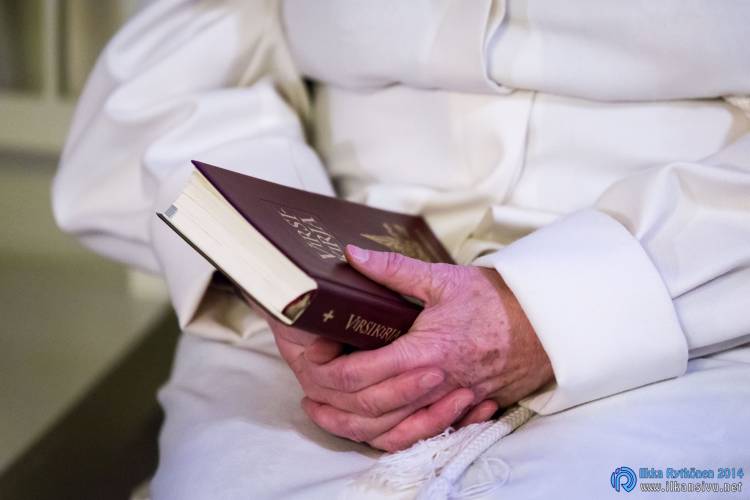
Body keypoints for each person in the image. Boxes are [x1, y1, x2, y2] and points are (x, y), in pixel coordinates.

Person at [53, 0, 750, 498]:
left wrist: (554, 311)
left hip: (694, 289)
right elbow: (183, 63)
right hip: (314, 289)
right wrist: (275, 262)